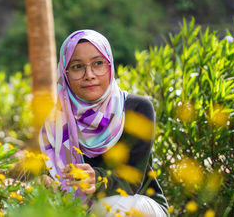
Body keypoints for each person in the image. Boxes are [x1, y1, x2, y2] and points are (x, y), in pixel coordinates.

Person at [39, 30, 169, 216]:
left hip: (139, 204)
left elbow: (132, 180)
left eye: (98, 63)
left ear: (110, 65)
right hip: (82, 210)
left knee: (109, 207)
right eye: (77, 67)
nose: (89, 74)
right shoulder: (55, 126)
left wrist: (97, 179)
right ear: (65, 74)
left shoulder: (136, 108)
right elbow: (47, 178)